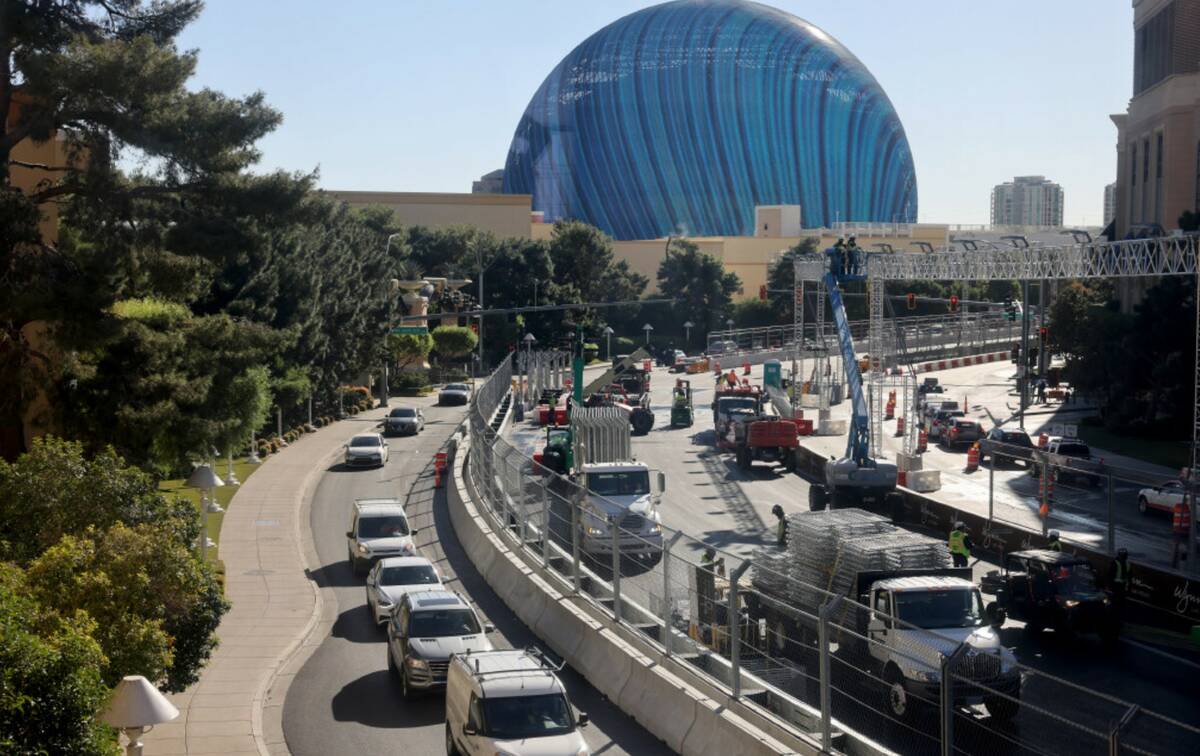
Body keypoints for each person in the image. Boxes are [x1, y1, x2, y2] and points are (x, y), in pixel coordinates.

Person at [1107, 547, 1131, 620]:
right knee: (1115, 603)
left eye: (1124, 556)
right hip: (1117, 587)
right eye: (1123, 555)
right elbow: (1110, 575)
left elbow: (1129, 578)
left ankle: (1115, 617)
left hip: (1120, 587)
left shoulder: (1126, 564)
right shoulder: (1116, 563)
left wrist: (1128, 588)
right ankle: (1112, 617)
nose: (1124, 557)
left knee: (1118, 604)